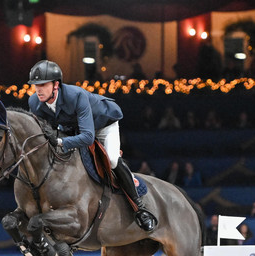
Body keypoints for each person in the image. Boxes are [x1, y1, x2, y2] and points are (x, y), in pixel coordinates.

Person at [27, 60, 157, 232]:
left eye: (43, 84)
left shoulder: (76, 96)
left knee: (111, 160)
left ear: (56, 85)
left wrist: (60, 142)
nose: (38, 89)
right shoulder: (34, 102)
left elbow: (88, 137)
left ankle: (139, 208)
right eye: (35, 85)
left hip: (102, 124)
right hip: (72, 127)